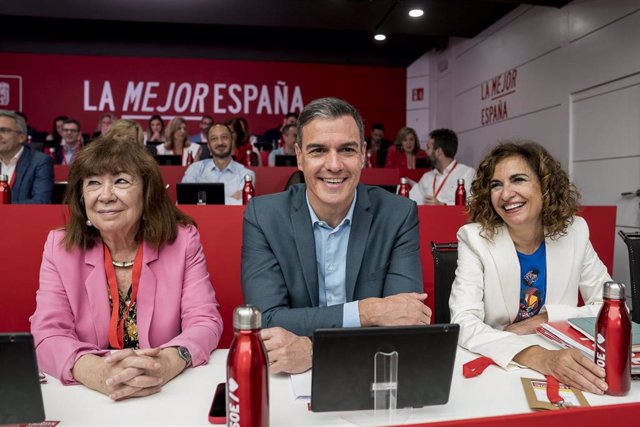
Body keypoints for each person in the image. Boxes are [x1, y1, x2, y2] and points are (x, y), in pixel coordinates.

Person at [242, 97, 431, 374]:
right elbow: (267, 321)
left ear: (363, 154)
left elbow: (405, 323)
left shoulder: (398, 214)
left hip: (373, 373)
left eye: (347, 150)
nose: (334, 165)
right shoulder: (264, 216)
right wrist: (369, 312)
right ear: (299, 156)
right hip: (289, 381)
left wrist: (315, 351)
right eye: (318, 150)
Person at [30, 137, 223, 401]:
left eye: (121, 181)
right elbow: (47, 332)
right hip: (89, 395)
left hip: (165, 392)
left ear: (147, 194)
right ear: (82, 198)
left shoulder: (182, 242)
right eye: (93, 183)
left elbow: (205, 321)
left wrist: (165, 363)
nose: (106, 196)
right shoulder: (60, 247)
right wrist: (96, 372)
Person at [449, 141, 611, 395]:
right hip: (502, 364)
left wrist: (545, 319)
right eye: (496, 185)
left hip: (565, 361)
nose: (506, 194)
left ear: (544, 186)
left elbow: (609, 306)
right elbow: (463, 321)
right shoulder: (474, 239)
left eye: (518, 180)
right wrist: (538, 357)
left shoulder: (575, 231)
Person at [181, 123, 255, 205]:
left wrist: (201, 198)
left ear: (232, 142)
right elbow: (182, 201)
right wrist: (231, 198)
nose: (220, 142)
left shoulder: (246, 175)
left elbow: (244, 206)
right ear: (208, 146)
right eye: (214, 139)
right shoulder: (195, 169)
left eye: (224, 137)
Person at [409, 128, 475, 205]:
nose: (425, 152)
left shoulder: (467, 173)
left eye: (428, 148)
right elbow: (412, 202)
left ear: (438, 152)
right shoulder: (426, 177)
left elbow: (472, 205)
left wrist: (443, 206)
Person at [0, 110, 53, 203]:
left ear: (21, 137)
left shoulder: (40, 161)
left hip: (22, 216)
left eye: (4, 130)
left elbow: (41, 201)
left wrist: (5, 209)